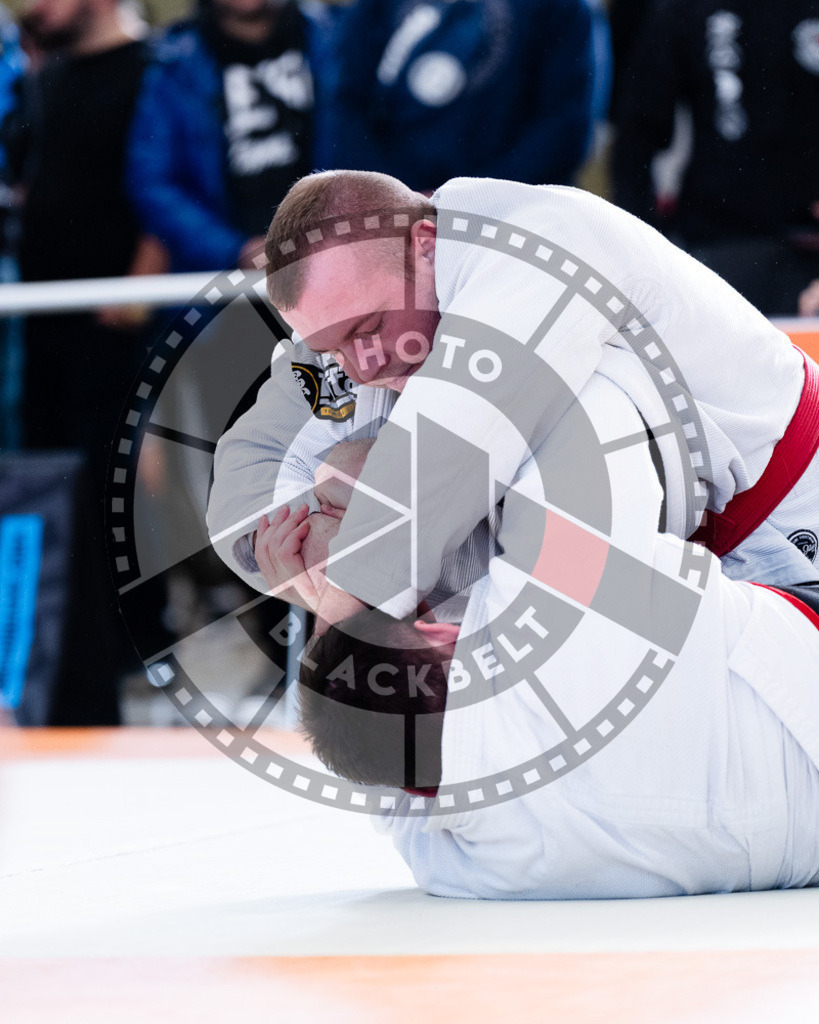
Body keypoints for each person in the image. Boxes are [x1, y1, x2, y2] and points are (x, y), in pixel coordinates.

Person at [208, 170, 819, 631]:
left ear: (425, 243)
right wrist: (310, 542)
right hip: (660, 576)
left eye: (368, 329)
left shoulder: (537, 243)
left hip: (787, 531)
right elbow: (245, 479)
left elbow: (447, 449)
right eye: (332, 350)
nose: (362, 367)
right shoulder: (351, 311)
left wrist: (341, 597)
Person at [297, 371, 819, 899]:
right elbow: (577, 393)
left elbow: (396, 791)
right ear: (434, 631)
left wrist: (330, 615)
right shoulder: (558, 612)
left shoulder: (477, 867)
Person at [611, 0, 819, 316]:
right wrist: (644, 257)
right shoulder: (687, 10)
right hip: (719, 243)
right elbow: (636, 137)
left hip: (810, 253)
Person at [321, 0, 604, 193]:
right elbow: (345, 102)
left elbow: (565, 125)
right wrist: (396, 195)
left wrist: (466, 202)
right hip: (394, 216)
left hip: (509, 222)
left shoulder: (562, 7)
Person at [127, 0, 326, 273]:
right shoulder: (172, 65)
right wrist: (236, 251)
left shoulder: (336, 38)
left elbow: (377, 149)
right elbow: (152, 182)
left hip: (337, 267)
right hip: (223, 289)